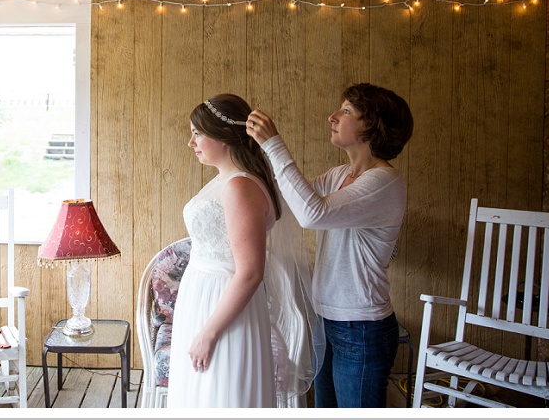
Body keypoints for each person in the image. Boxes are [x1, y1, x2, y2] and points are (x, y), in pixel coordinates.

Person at [246, 82, 414, 408]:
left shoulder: (385, 183)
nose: (332, 116)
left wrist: (274, 144)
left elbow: (311, 213)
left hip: (362, 330)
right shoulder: (339, 175)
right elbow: (290, 200)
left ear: (373, 126)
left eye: (347, 111)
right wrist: (251, 150)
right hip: (328, 321)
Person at [166, 93, 314, 408]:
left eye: (197, 133)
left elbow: (249, 272)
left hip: (222, 307)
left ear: (223, 136)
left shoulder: (240, 187)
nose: (190, 143)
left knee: (220, 394)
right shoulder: (228, 180)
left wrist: (209, 332)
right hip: (204, 299)